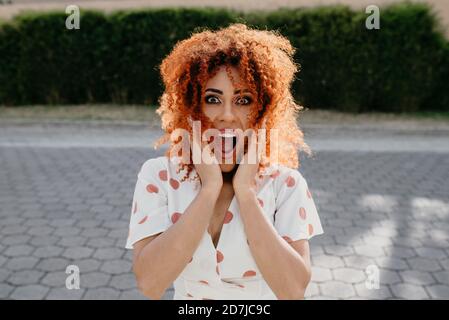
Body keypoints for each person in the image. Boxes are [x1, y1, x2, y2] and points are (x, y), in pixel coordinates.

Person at [125, 23, 324, 300]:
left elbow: (292, 291)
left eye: (243, 100)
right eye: (212, 99)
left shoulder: (286, 184)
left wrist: (247, 193)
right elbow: (150, 284)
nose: (227, 115)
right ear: (191, 106)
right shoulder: (159, 176)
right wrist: (209, 189)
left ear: (262, 110)